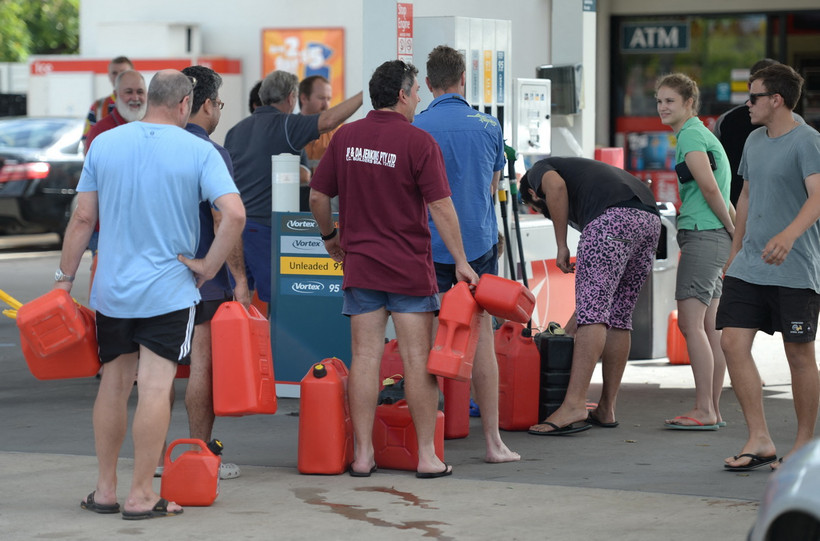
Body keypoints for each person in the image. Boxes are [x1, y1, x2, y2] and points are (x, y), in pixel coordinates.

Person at [57, 69, 245, 519]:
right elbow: (233, 215)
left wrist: (64, 281)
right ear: (185, 104)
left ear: (148, 100)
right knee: (156, 389)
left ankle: (105, 491)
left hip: (113, 291)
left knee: (115, 385)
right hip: (168, 292)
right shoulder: (199, 151)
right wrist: (209, 267)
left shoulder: (106, 143)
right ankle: (142, 496)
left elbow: (83, 218)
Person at [309, 59, 479, 478]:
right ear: (402, 94)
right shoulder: (418, 142)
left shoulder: (346, 137)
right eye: (416, 90)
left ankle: (364, 456)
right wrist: (460, 261)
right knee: (418, 360)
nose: (419, 96)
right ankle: (426, 456)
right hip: (408, 270)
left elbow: (317, 196)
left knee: (364, 359)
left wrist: (331, 238)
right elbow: (440, 206)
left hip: (362, 266)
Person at [412, 45, 519, 463]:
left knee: (421, 340)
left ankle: (428, 444)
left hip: (427, 245)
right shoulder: (489, 125)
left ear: (429, 84)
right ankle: (493, 442)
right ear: (462, 81)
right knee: (482, 339)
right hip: (477, 246)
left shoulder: (417, 127)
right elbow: (492, 187)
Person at [718, 63, 820, 472]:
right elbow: (745, 195)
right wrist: (735, 250)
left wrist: (789, 235)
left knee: (798, 354)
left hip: (795, 268)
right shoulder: (755, 140)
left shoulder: (808, 142)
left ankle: (802, 448)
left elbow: (818, 197)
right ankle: (759, 439)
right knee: (731, 343)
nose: (748, 104)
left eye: (754, 96)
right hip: (750, 266)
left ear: (776, 99)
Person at [520, 157, 661, 435]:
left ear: (533, 193)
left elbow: (556, 188)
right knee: (619, 315)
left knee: (594, 314)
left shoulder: (539, 171)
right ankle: (606, 407)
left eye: (538, 206)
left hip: (612, 220)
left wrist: (561, 245)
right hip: (649, 221)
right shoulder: (587, 173)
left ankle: (573, 404)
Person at [225, 70, 363, 304]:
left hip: (235, 227)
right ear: (291, 97)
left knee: (241, 298)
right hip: (265, 228)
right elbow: (328, 121)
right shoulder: (286, 124)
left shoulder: (235, 130)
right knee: (279, 302)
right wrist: (364, 94)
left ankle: (243, 341)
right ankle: (273, 342)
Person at [179, 64, 250, 480]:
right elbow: (226, 219)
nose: (219, 110)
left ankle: (156, 455)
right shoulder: (209, 151)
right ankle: (201, 454)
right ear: (206, 103)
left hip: (153, 277)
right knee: (200, 367)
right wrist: (239, 278)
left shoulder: (151, 144)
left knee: (154, 371)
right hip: (203, 280)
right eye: (219, 102)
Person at [655, 73, 734, 431]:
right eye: (659, 101)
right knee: (708, 326)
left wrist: (733, 232)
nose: (662, 107)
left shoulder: (690, 135)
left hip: (704, 235)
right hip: (712, 235)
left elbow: (710, 189)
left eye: (670, 100)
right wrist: (735, 235)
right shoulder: (700, 133)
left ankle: (704, 409)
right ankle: (712, 409)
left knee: (691, 322)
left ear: (689, 103)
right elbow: (718, 192)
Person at [713, 59, 805, 207]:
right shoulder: (751, 137)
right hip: (741, 209)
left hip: (738, 207)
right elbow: (746, 193)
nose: (749, 104)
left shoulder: (804, 134)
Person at [85, 70, 147, 153]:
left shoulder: (155, 127)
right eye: (129, 92)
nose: (135, 98)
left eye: (140, 92)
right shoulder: (100, 132)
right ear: (115, 94)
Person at [83, 56, 134, 144]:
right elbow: (86, 141)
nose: (118, 76)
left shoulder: (146, 104)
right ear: (109, 76)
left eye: (123, 72)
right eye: (114, 73)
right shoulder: (98, 107)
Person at [299, 75, 336, 172]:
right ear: (304, 98)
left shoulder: (337, 133)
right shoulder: (289, 131)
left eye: (328, 99)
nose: (326, 105)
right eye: (321, 98)